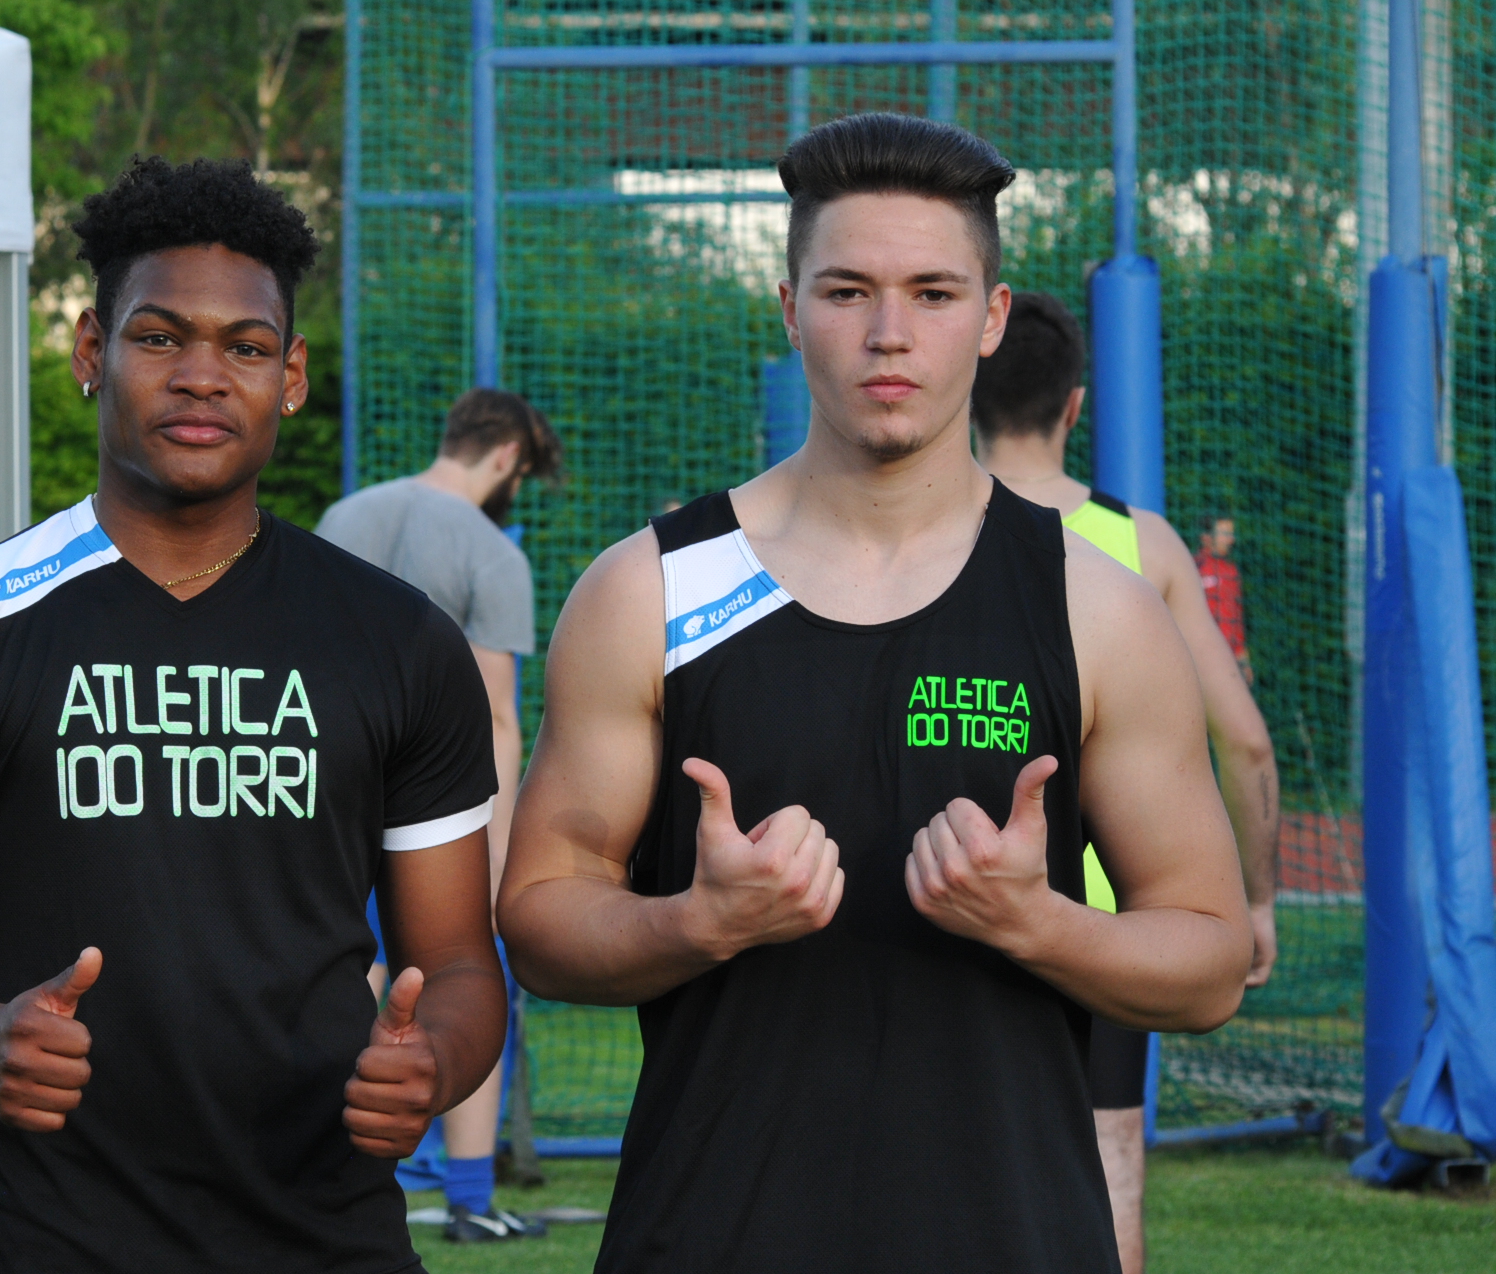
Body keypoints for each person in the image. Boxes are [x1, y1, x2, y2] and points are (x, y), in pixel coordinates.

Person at [497, 113, 1252, 1273]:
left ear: (989, 317)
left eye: (932, 293)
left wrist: (1037, 920)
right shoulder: (649, 589)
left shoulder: (1093, 607)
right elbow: (540, 918)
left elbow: (1207, 960)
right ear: (787, 307)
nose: (888, 332)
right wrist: (694, 920)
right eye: (846, 290)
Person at [0, 156, 508, 1274]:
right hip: (52, 1250)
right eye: (158, 337)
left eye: (245, 347)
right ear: (91, 350)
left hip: (332, 1245)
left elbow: (461, 965)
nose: (201, 377)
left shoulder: (397, 641)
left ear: (291, 375)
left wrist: (433, 1063)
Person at [974, 290, 1281, 1274]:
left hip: (947, 898)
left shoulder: (909, 537)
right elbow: (1245, 742)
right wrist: (1254, 899)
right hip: (1105, 920)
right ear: (1075, 406)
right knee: (1109, 1174)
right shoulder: (1141, 544)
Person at [318, 387, 564, 1243]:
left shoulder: (342, 517)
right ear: (507, 459)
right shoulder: (492, 552)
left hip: (326, 797)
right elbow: (494, 715)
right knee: (469, 977)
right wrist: (499, 847)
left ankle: (322, 1182)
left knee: (336, 979)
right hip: (433, 811)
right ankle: (469, 1201)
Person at [1196, 516, 1252, 684]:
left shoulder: (1231, 571)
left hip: (1228, 660)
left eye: (1231, 534)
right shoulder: (1192, 567)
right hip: (1200, 658)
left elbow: (1236, 620)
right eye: (1225, 534)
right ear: (1206, 537)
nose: (1231, 540)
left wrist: (1243, 660)